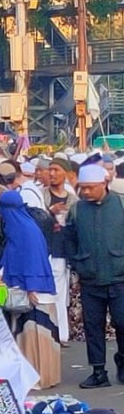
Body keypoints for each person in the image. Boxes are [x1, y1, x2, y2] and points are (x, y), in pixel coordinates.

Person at [64, 163, 124, 388]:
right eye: (82, 188)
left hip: (120, 276)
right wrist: (76, 261)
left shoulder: (121, 203)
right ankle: (98, 371)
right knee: (93, 326)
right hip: (90, 277)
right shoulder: (77, 209)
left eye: (90, 188)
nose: (86, 192)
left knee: (122, 322)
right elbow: (69, 238)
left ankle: (122, 360)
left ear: (104, 184)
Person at [0, 190, 59, 388]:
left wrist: (31, 286)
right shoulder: (24, 226)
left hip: (33, 291)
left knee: (33, 335)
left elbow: (33, 258)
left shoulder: (23, 230)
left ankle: (36, 378)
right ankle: (40, 376)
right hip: (31, 287)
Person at [43, 158, 77, 345]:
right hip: (46, 250)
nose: (52, 174)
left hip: (63, 252)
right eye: (50, 170)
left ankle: (61, 334)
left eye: (56, 170)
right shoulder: (41, 195)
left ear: (66, 173)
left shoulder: (73, 199)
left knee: (60, 295)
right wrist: (49, 211)